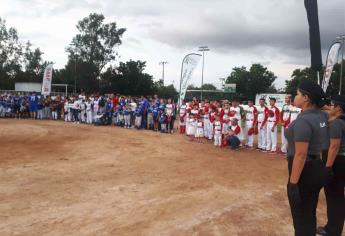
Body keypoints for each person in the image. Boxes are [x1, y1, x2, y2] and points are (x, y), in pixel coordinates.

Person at [285, 80, 328, 236]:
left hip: (305, 171)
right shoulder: (323, 115)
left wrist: (293, 183)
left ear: (306, 98)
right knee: (309, 211)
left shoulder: (303, 121)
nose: (294, 97)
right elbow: (331, 110)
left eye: (297, 94)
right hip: (317, 166)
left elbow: (301, 154)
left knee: (300, 216)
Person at [317, 95, 345, 236]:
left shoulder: (337, 123)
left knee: (334, 197)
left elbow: (334, 146)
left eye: (333, 105)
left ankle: (333, 230)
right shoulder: (341, 120)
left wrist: (328, 167)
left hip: (336, 162)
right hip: (342, 162)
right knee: (338, 197)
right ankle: (333, 227)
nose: (330, 107)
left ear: (339, 108)